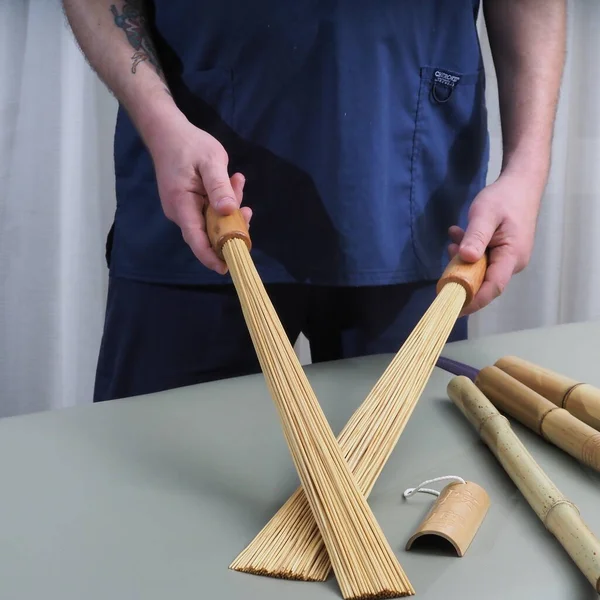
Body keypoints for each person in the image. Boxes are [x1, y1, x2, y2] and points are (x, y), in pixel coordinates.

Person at [62, 0, 566, 402]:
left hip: (406, 199)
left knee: (402, 497)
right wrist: (159, 122)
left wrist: (527, 167)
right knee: (158, 485)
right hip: (195, 197)